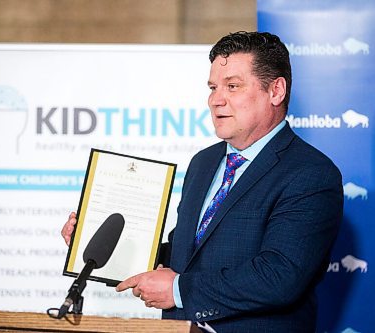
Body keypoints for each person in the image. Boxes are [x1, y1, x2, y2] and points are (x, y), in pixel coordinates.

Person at [62, 31, 343, 332]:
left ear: (276, 91)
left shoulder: (310, 173)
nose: (215, 100)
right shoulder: (204, 162)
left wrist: (178, 290)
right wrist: (99, 242)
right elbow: (187, 257)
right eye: (212, 87)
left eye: (232, 86)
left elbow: (278, 277)